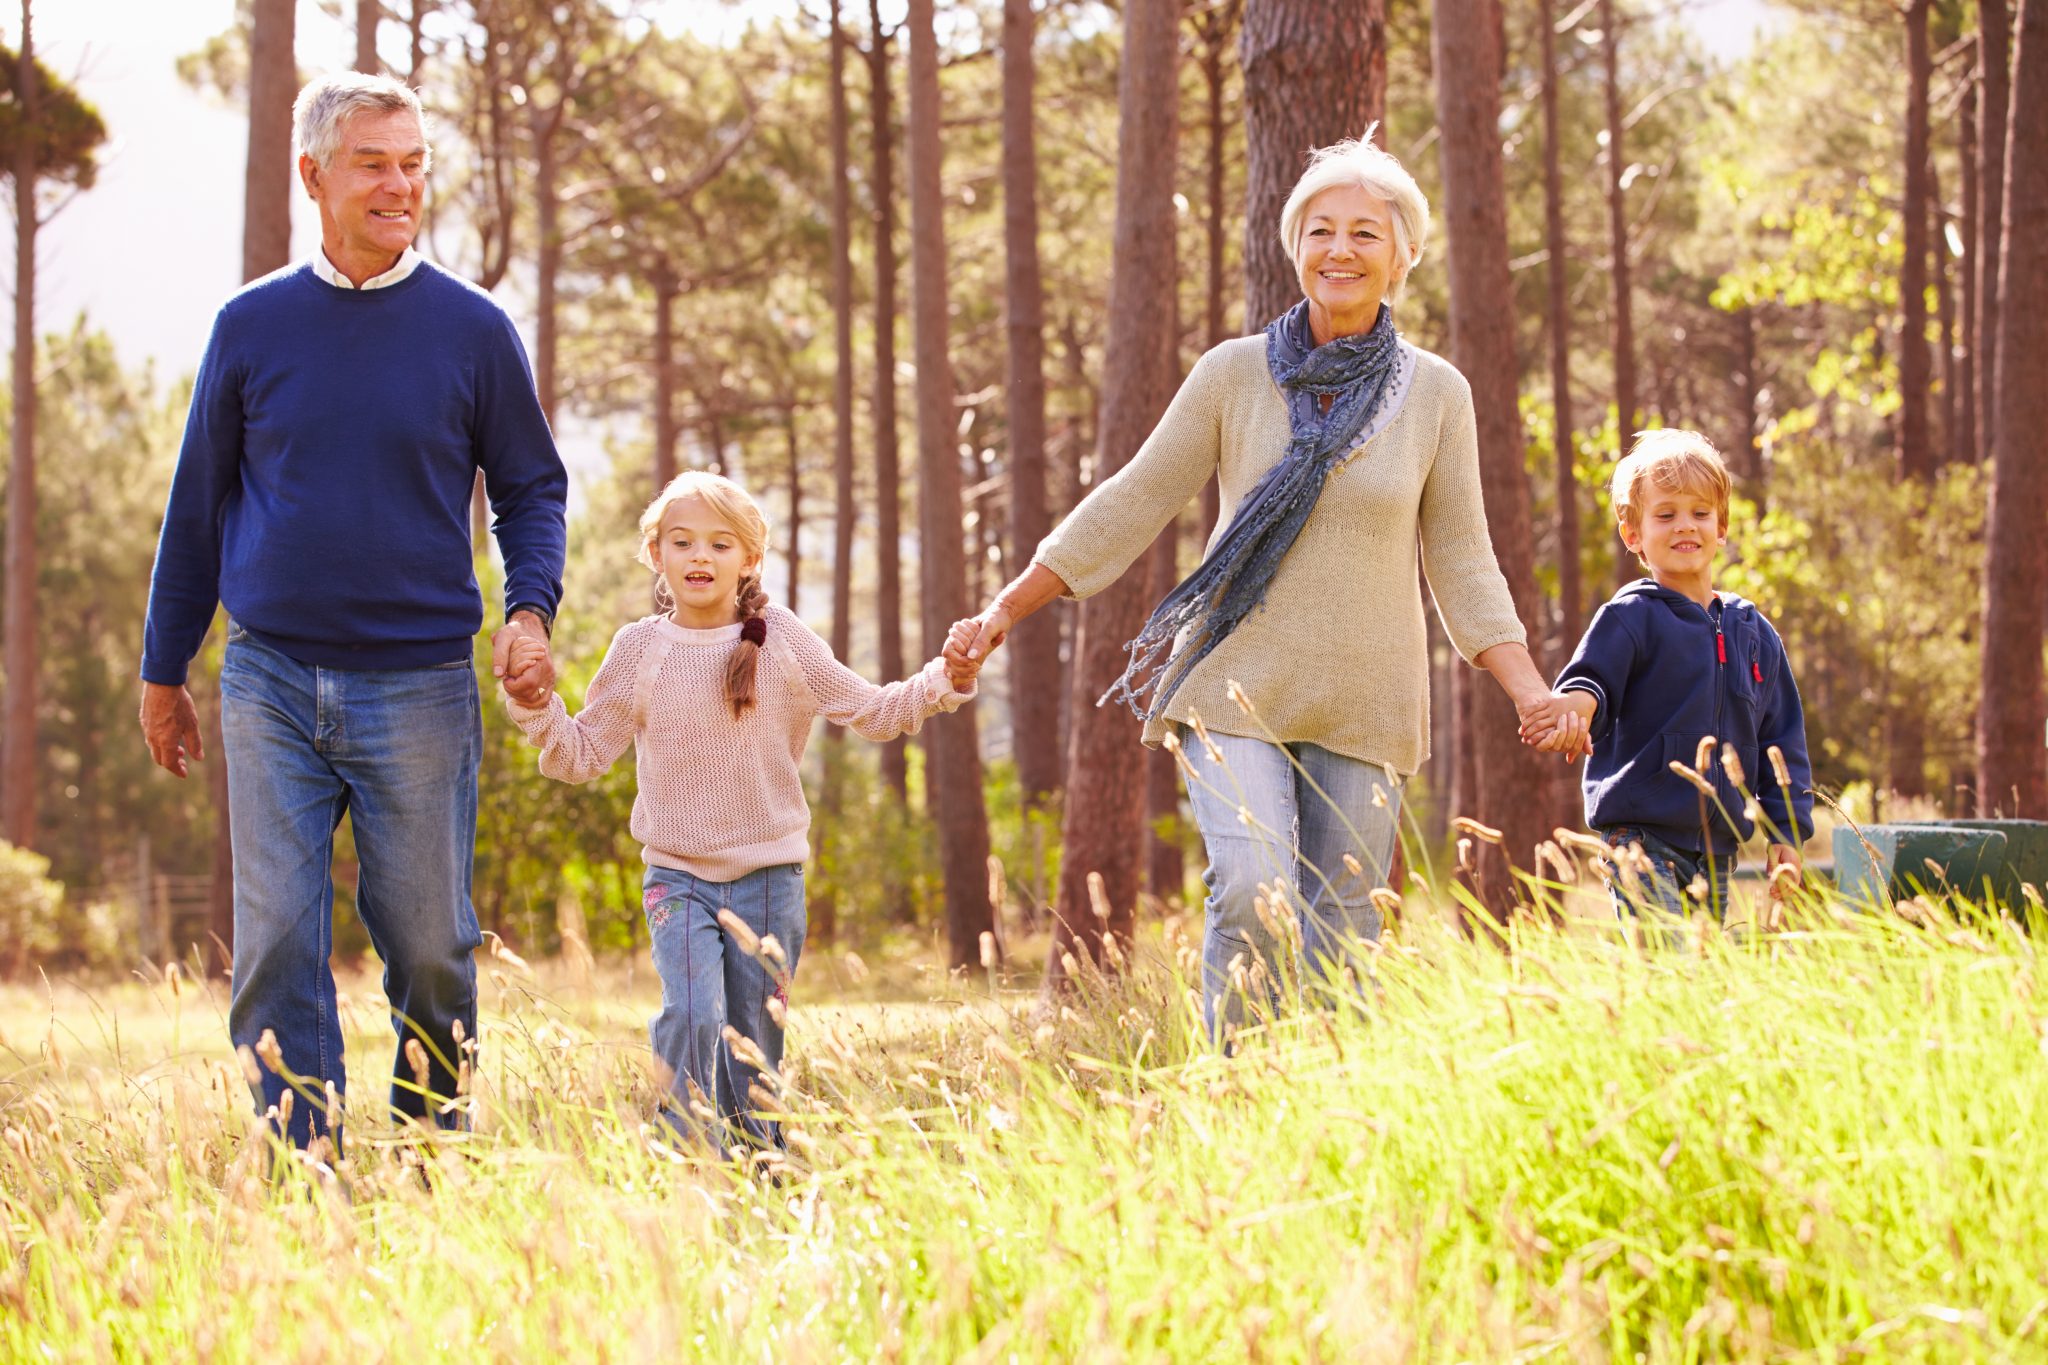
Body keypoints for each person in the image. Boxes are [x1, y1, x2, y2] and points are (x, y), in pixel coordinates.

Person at [953, 134, 1550, 1035]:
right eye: (1320, 230)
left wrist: (1530, 689)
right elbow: (1134, 497)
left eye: (1364, 233)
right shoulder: (1235, 374)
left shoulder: (1437, 394)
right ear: (1294, 245)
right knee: (1254, 885)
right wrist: (1007, 606)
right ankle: (1234, 1096)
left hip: (1367, 696)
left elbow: (1463, 556)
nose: (1340, 250)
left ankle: (1316, 1122)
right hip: (1236, 684)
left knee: (1345, 932)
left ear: (1403, 256)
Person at [138, 73, 567, 1152]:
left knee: (428, 945)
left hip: (419, 682)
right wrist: (163, 669)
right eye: (373, 162)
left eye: (414, 161)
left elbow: (530, 486)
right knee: (279, 938)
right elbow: (198, 507)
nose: (400, 183)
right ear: (313, 175)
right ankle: (305, 1167)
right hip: (270, 675)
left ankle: (429, 1152)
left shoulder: (471, 332)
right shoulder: (251, 326)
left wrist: (530, 610)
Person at [500, 471, 979, 1148]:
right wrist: (534, 704)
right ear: (655, 553)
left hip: (769, 880)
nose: (700, 557)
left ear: (749, 558)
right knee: (694, 1014)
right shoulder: (639, 650)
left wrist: (943, 680)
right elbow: (581, 755)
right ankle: (689, 1156)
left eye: (720, 544)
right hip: (678, 877)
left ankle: (760, 1179)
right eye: (683, 541)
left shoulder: (780, 639)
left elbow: (872, 710)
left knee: (754, 1048)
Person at [1520, 430, 1814, 922]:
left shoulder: (1754, 633)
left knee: (1693, 982)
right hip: (1640, 839)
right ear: (1633, 534)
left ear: (1721, 527)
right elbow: (1591, 681)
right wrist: (1572, 710)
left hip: (1717, 851)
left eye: (1700, 513)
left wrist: (1787, 835)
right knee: (1662, 963)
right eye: (1666, 514)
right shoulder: (1631, 616)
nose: (1686, 526)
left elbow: (1782, 742)